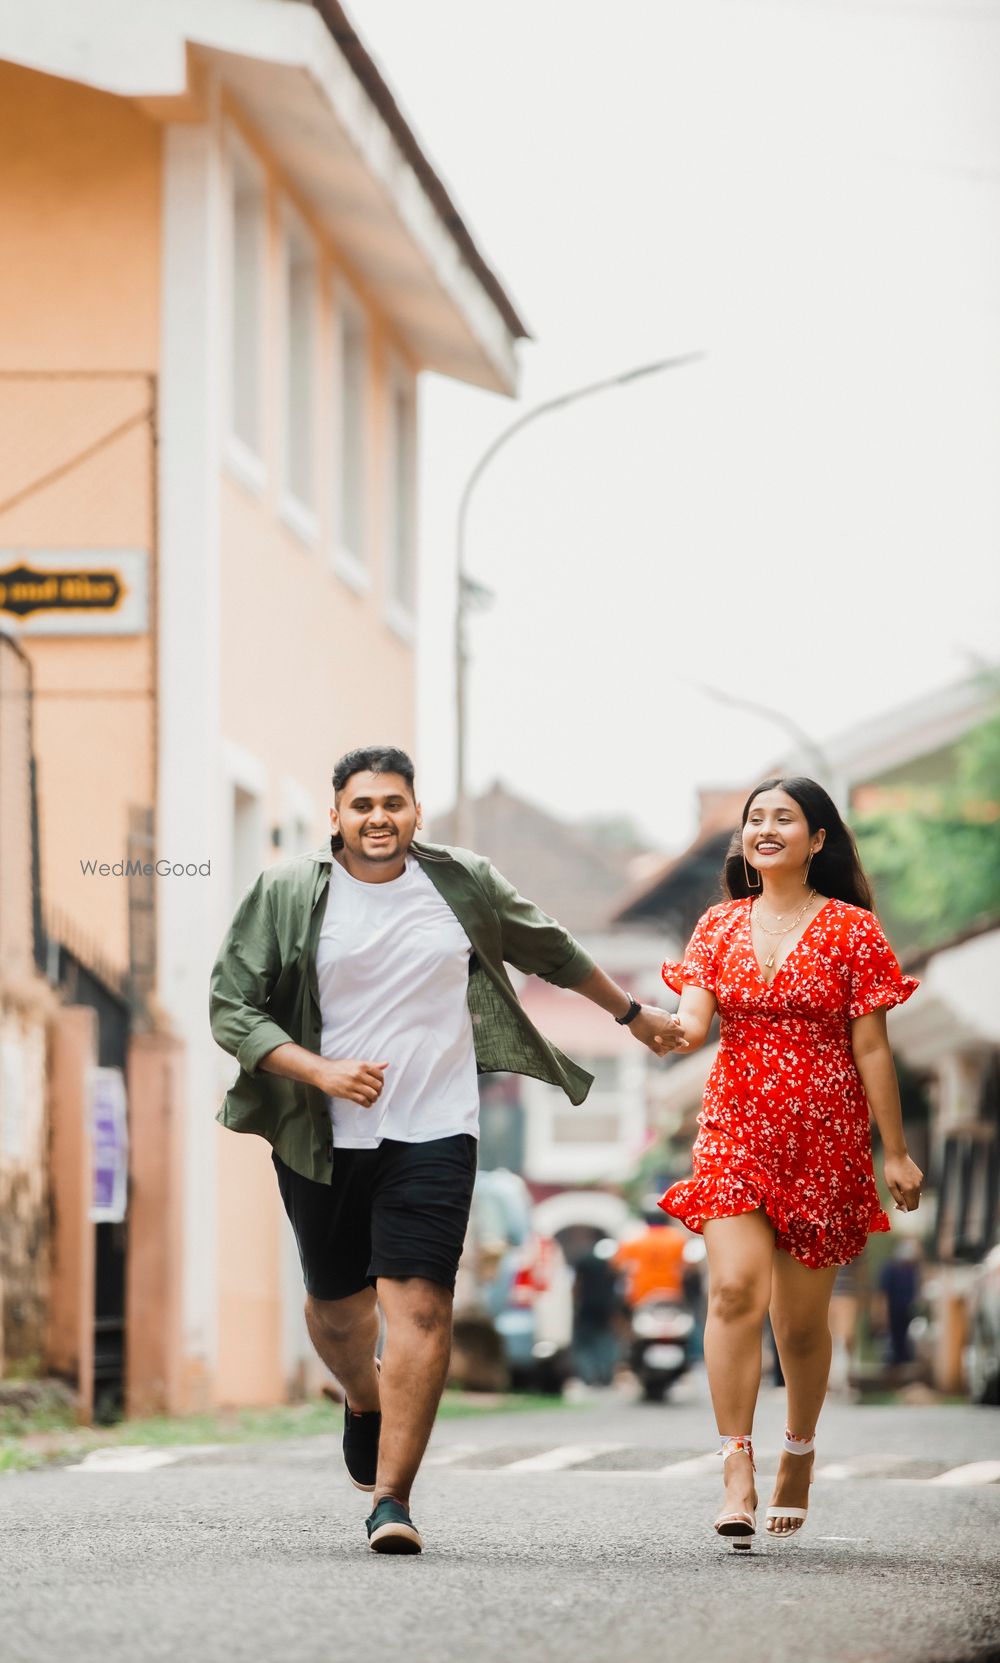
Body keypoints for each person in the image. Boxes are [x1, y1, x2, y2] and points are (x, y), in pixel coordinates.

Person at [209, 745, 684, 1555]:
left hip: (434, 1126)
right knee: (335, 1306)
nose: (378, 818)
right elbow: (231, 1006)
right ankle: (363, 1396)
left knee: (421, 1306)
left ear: (415, 811)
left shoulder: (461, 882)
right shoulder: (289, 892)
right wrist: (318, 1070)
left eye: (393, 802)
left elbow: (553, 948)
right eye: (362, 805)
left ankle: (392, 1499)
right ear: (336, 816)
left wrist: (632, 1013)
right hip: (321, 1133)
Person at [658, 776, 923, 1549]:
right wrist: (658, 1026)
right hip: (736, 1126)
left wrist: (896, 1152)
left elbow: (872, 1045)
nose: (765, 828)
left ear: (817, 840)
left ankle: (798, 1453)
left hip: (826, 1137)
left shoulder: (852, 931)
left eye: (785, 818)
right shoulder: (716, 925)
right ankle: (735, 1461)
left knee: (800, 1328)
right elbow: (692, 1020)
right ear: (742, 841)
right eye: (754, 819)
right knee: (735, 1288)